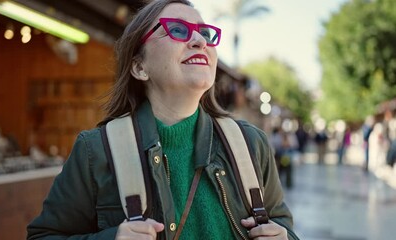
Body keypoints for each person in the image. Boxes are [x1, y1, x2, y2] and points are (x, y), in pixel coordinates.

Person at [27, 0, 299, 239]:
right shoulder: (94, 151)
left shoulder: (251, 144)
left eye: (205, 33)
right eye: (178, 29)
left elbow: (283, 225)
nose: (200, 41)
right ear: (139, 66)